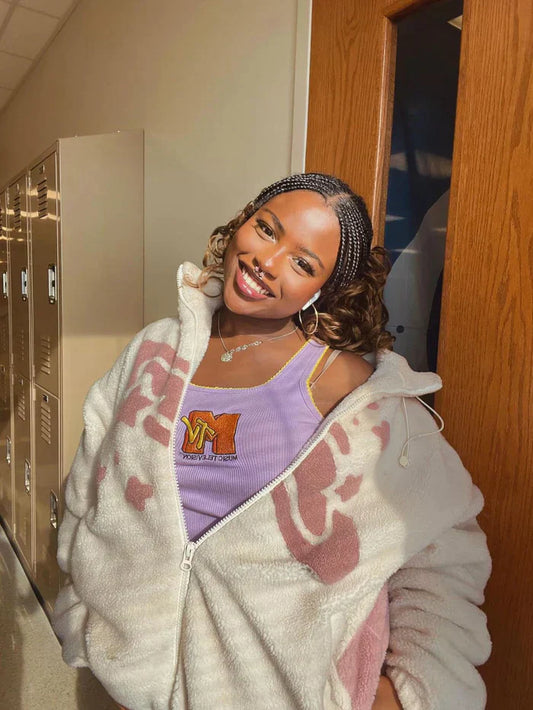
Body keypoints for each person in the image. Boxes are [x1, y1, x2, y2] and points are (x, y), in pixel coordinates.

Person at [52, 173, 491, 710]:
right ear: (243, 221)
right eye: (267, 229)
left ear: (324, 289)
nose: (267, 260)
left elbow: (442, 547)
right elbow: (91, 486)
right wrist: (86, 609)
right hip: (129, 680)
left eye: (303, 263)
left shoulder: (352, 391)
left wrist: (410, 692)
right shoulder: (155, 352)